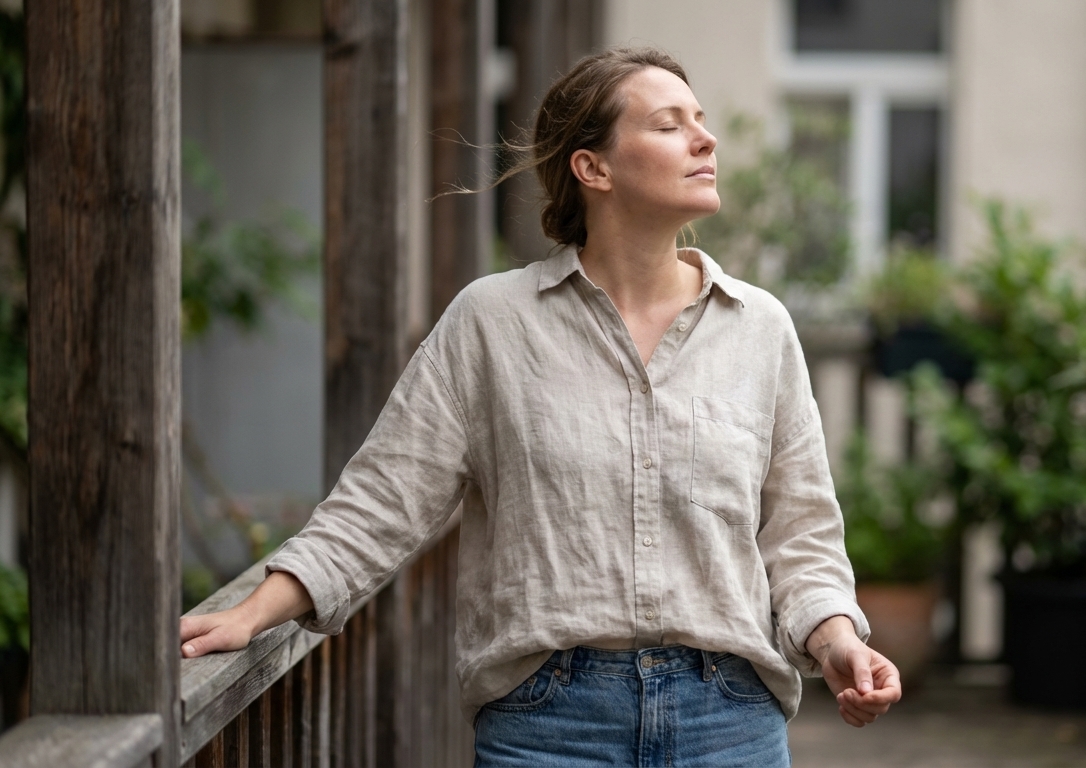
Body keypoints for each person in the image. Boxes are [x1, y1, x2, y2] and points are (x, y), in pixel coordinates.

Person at [179, 45, 901, 766]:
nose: (705, 139)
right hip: (550, 728)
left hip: (731, 722)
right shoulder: (493, 322)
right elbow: (381, 504)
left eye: (701, 121)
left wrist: (837, 639)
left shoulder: (760, 328)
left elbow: (801, 534)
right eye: (668, 124)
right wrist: (253, 612)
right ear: (593, 169)